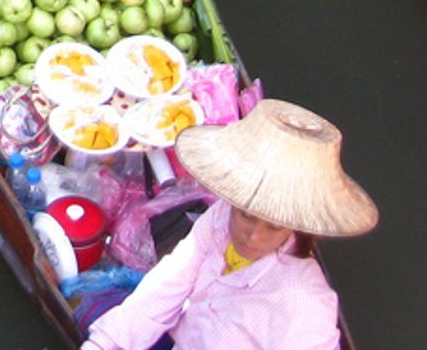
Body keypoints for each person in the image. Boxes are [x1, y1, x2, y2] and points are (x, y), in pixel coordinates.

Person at [81, 99, 378, 350]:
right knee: (93, 315)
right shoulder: (221, 218)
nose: (252, 236)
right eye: (246, 214)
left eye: (273, 227)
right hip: (181, 340)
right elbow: (166, 287)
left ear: (296, 227)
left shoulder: (305, 303)